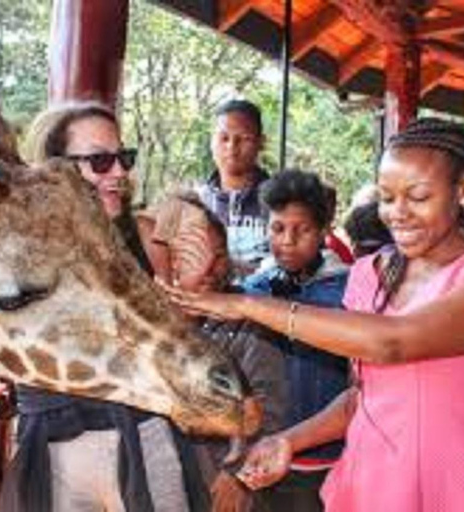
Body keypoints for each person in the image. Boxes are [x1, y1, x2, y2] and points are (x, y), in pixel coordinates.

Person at [165, 118, 464, 512]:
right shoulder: (372, 274)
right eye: (387, 197)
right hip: (367, 488)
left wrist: (246, 305)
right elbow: (363, 398)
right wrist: (287, 441)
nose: (397, 213)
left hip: (455, 490)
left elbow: (394, 342)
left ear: (462, 191)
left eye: (417, 196)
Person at [0, 102, 208, 512]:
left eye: (123, 158)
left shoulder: (146, 237)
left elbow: (178, 344)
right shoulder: (16, 250)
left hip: (144, 433)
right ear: (55, 169)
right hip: (52, 444)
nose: (119, 172)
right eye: (100, 161)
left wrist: (194, 288)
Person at [138, 193, 287, 512]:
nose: (207, 269)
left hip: (221, 490)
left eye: (217, 255)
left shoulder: (250, 323)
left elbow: (270, 412)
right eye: (189, 255)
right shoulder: (140, 326)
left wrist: (238, 476)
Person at [239, 170, 349, 512]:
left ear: (323, 232)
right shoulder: (254, 290)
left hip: (329, 456)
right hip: (262, 452)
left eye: (301, 230)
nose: (287, 240)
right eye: (277, 228)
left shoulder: (347, 290)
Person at [197, 99, 270, 281]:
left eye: (244, 138)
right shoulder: (195, 202)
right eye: (224, 138)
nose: (232, 147)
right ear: (211, 142)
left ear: (261, 142)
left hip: (266, 305)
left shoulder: (282, 200)